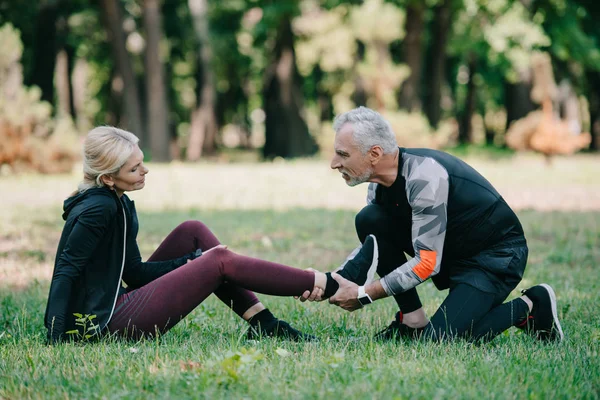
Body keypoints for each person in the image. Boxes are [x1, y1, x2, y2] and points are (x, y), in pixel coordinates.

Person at [44, 126, 347, 344]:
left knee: (193, 232)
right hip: (104, 323)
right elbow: (66, 271)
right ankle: (323, 282)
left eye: (142, 162)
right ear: (108, 177)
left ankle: (264, 324)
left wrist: (191, 261)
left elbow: (134, 273)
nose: (146, 171)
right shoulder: (98, 209)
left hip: (112, 302)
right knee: (219, 261)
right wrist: (55, 336)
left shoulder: (115, 200)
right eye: (135, 169)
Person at [302, 106, 564, 343]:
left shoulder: (425, 178)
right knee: (370, 218)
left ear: (375, 153)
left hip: (494, 259)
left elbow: (427, 263)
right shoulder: (378, 184)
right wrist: (329, 281)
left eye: (342, 154)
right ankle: (412, 320)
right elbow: (373, 249)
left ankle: (532, 303)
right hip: (452, 252)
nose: (334, 163)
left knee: (440, 341)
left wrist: (365, 294)